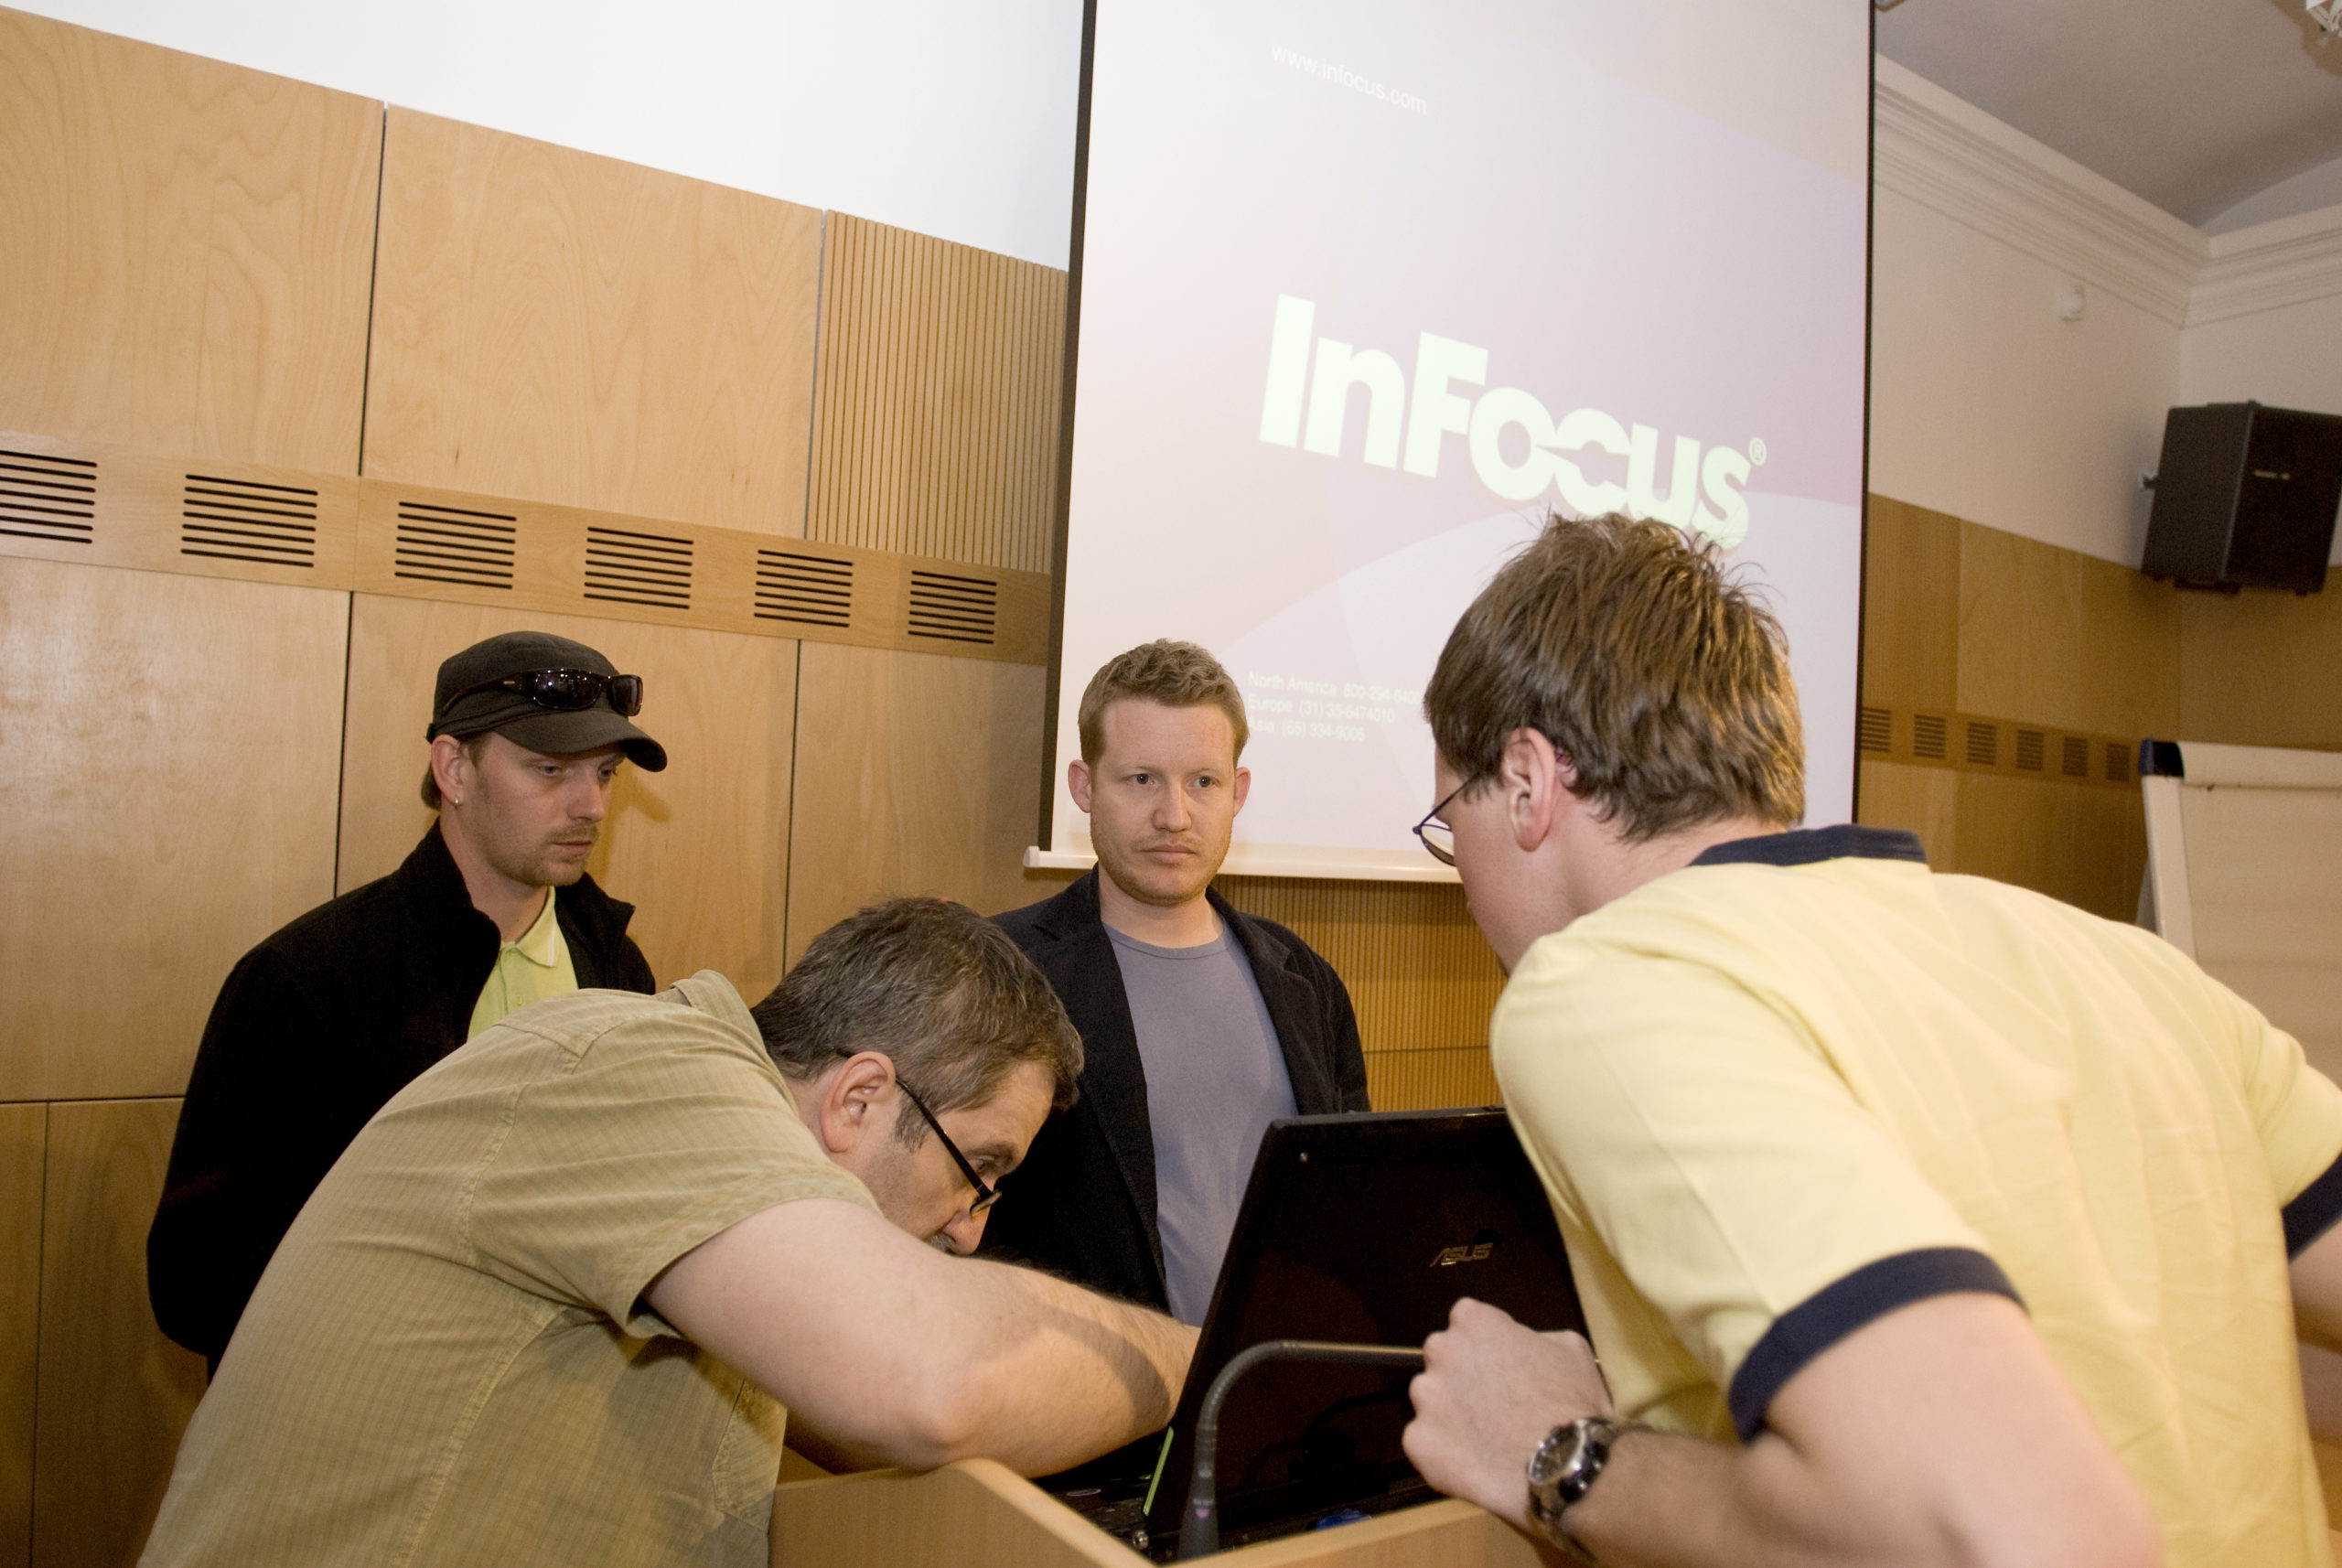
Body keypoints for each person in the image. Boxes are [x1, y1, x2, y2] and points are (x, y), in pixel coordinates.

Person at [1398, 511, 2342, 1568]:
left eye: (1449, 824)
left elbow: (2006, 1531)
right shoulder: (2126, 965)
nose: (1462, 880)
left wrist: (1560, 1451)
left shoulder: (1602, 981)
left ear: (1528, 781)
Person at [138, 897, 1196, 1568]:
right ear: (859, 1098)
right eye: (980, 1172)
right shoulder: (640, 1061)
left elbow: (863, 1428)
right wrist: (1208, 1356)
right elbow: (929, 1382)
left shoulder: (735, 1196)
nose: (968, 1231)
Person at [149, 629, 668, 1369]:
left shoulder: (617, 970)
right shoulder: (306, 980)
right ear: (454, 768)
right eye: (550, 769)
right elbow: (198, 1281)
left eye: (606, 774)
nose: (591, 806)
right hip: (354, 1406)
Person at [983, 640, 1368, 1324]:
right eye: (1141, 780)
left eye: (1203, 782)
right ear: (1083, 787)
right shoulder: (999, 972)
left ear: (1237, 793)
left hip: (1276, 1371)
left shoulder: (1304, 979)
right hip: (1083, 1378)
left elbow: (1349, 1203)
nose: (1175, 816)